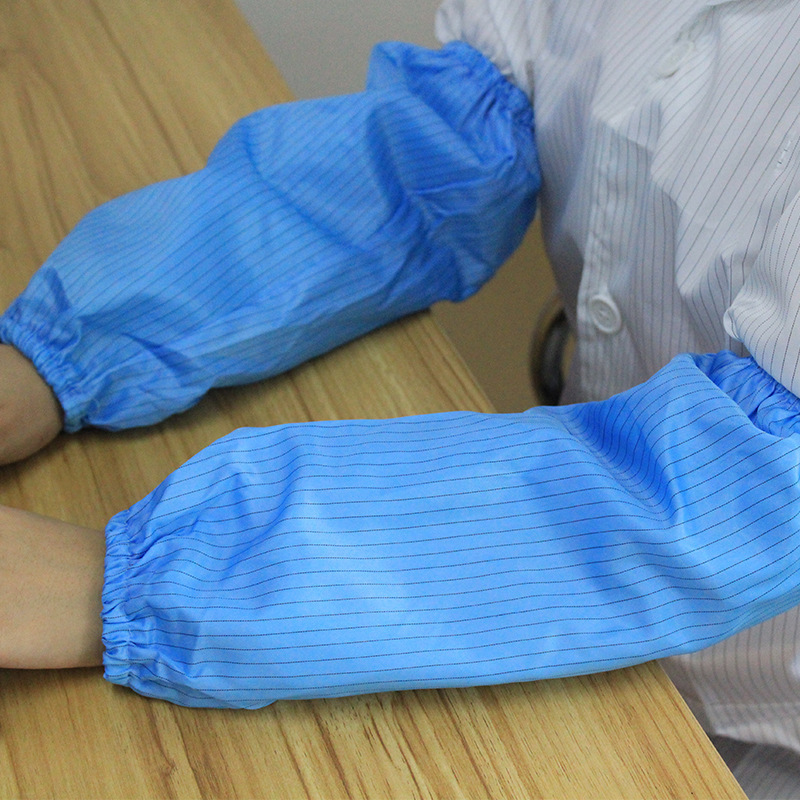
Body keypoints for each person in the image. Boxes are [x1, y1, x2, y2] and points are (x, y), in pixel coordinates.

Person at [3, 0, 800, 793]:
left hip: (760, 723)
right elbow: (419, 161)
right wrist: (65, 350)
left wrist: (134, 584)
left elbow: (743, 495)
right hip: (563, 639)